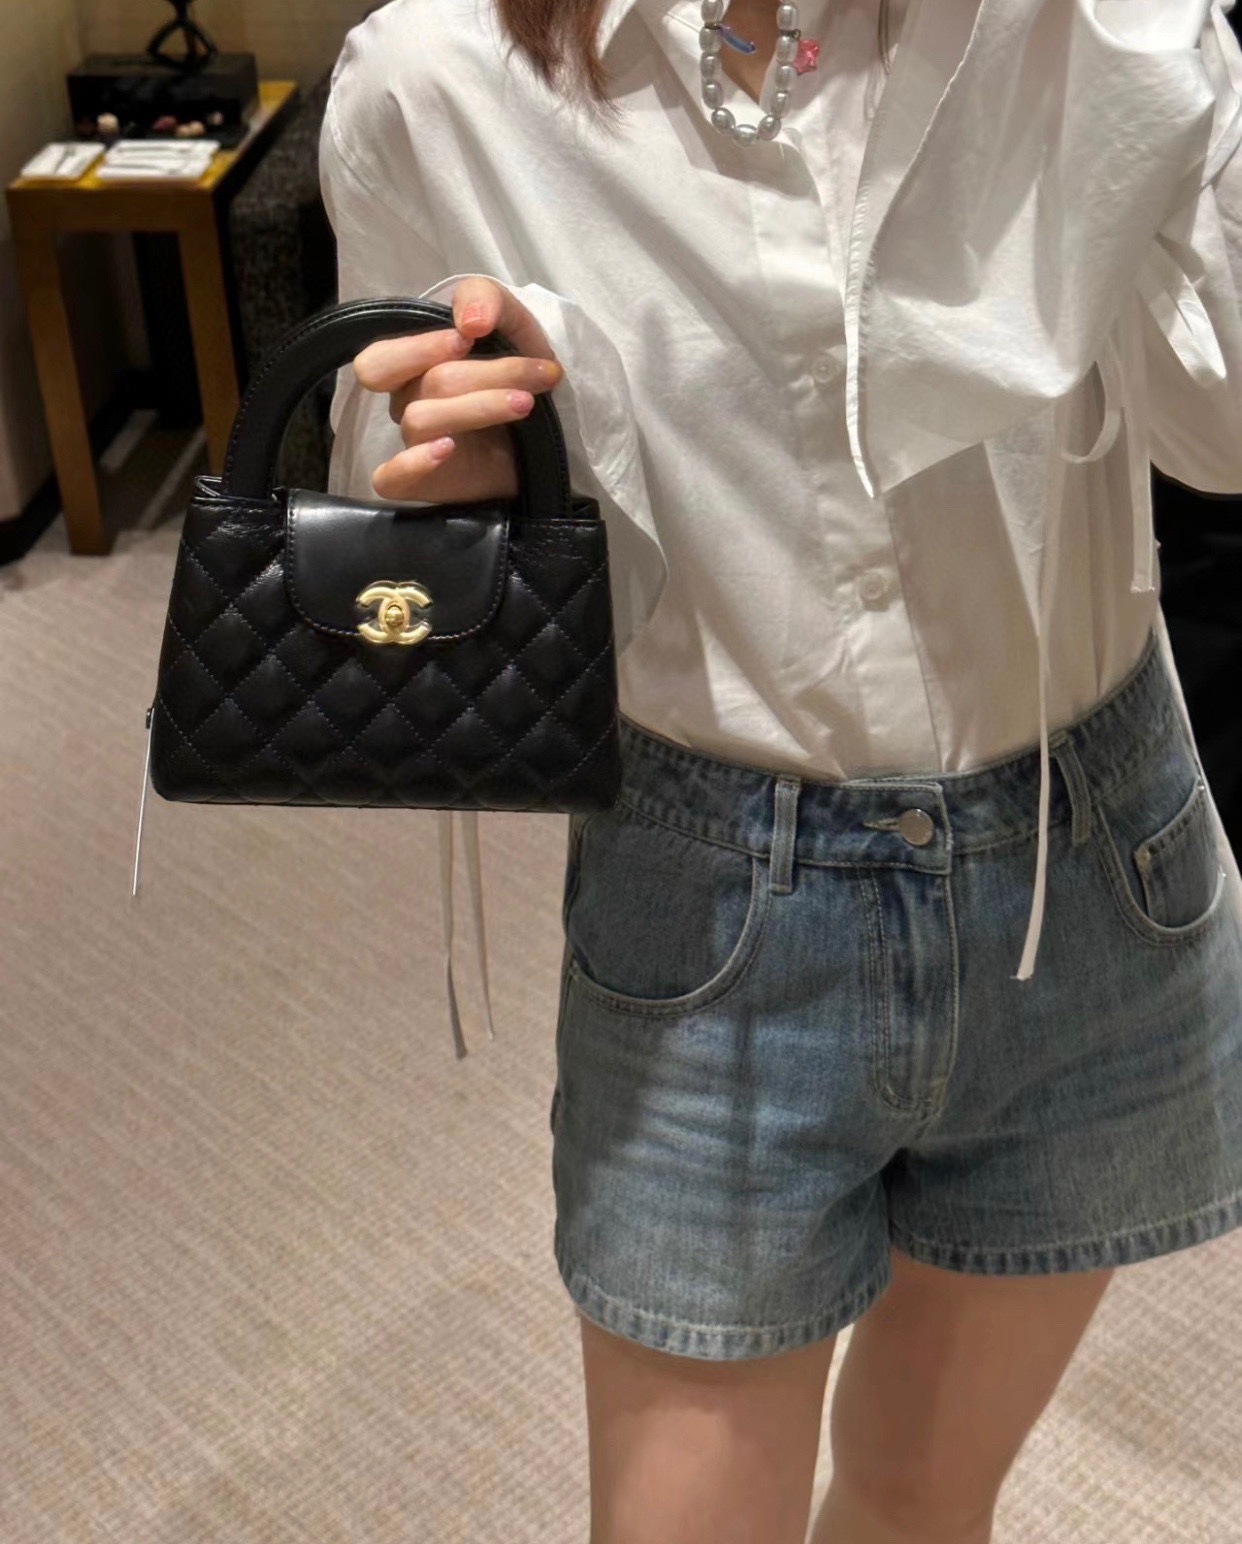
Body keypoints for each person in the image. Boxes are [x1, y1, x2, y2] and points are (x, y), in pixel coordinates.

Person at [319, 1, 1242, 1540]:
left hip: (1084, 864)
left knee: (919, 1502)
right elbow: (397, 536)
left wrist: (1159, 55)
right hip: (717, 909)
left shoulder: (1080, 27)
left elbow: (1221, 429)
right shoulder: (438, 79)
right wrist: (468, 480)